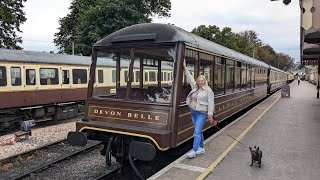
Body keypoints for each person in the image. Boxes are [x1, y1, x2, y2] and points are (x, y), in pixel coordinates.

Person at [183, 59, 215, 158]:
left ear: (205, 81)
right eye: (199, 81)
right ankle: (201, 148)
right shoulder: (195, 87)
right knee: (199, 131)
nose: (200, 82)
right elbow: (189, 77)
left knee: (196, 131)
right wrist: (184, 67)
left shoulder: (208, 90)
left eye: (202, 81)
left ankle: (194, 150)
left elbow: (211, 103)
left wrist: (210, 115)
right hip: (193, 112)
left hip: (202, 113)